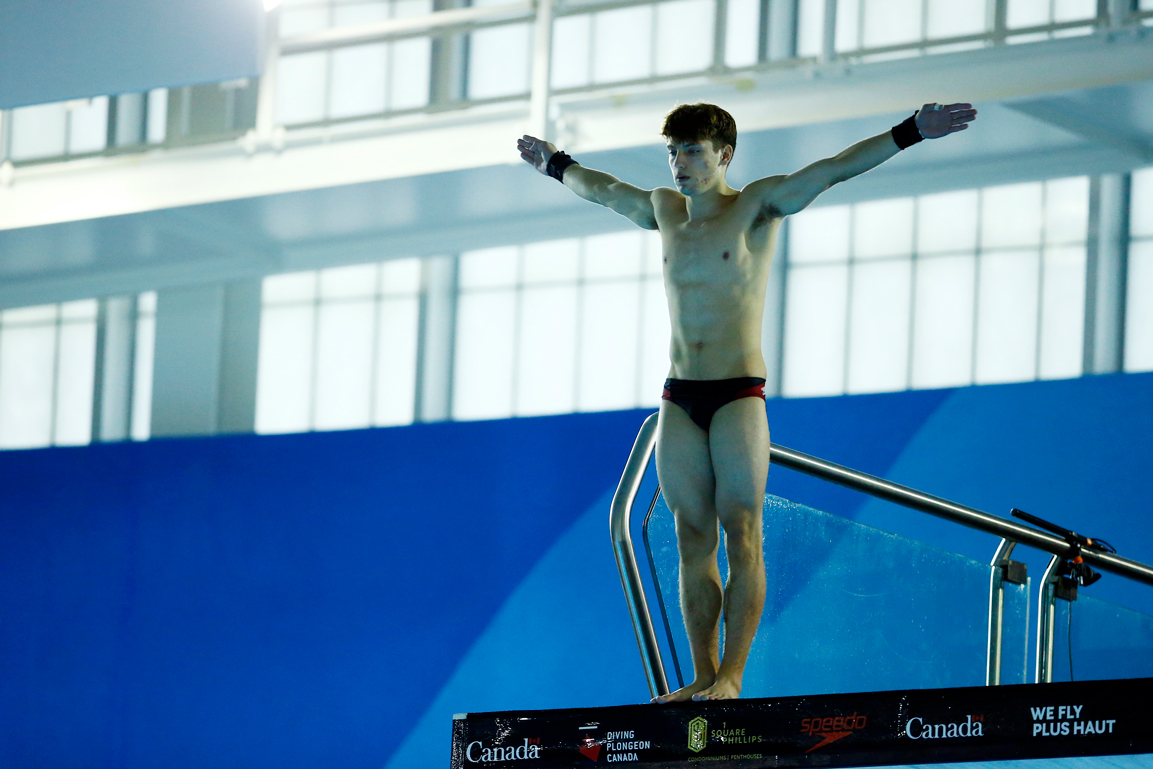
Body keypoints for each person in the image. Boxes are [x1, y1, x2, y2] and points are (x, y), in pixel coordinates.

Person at [516, 101, 977, 702]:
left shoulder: (757, 205)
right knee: (690, 536)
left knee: (742, 530)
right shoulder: (665, 211)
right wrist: (554, 163)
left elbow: (834, 168)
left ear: (724, 155)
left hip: (738, 394)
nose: (681, 165)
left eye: (693, 153)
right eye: (674, 153)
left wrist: (912, 130)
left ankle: (733, 675)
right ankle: (704, 676)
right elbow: (602, 190)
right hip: (679, 397)